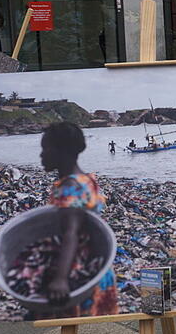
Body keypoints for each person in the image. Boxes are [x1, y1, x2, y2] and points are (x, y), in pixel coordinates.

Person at [39, 122, 118, 317]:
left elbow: (71, 233)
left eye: (45, 149)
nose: (41, 155)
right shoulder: (87, 179)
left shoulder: (69, 187)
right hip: (99, 269)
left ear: (61, 151)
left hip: (78, 273)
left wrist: (60, 279)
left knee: (77, 331)